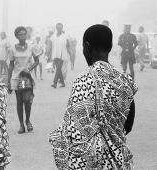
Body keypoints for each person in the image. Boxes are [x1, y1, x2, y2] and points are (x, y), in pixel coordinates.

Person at [49, 24, 137, 169]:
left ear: (87, 46)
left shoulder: (84, 80)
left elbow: (73, 132)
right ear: (109, 47)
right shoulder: (125, 80)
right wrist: (111, 138)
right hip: (119, 162)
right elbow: (128, 125)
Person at [7, 26, 41, 134]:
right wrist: (8, 81)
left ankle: (28, 121)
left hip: (27, 77)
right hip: (17, 77)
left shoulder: (31, 47)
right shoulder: (12, 48)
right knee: (19, 101)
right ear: (16, 36)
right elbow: (11, 65)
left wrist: (28, 69)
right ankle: (21, 124)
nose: (23, 36)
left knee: (27, 100)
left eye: (24, 34)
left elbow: (36, 61)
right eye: (20, 34)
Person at [51, 23, 71, 88]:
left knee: (58, 68)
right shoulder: (53, 36)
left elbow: (68, 45)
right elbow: (52, 46)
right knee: (58, 69)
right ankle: (62, 83)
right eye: (58, 28)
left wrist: (69, 52)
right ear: (56, 28)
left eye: (60, 28)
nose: (59, 29)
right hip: (55, 55)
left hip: (62, 55)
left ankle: (54, 82)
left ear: (62, 28)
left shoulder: (65, 36)